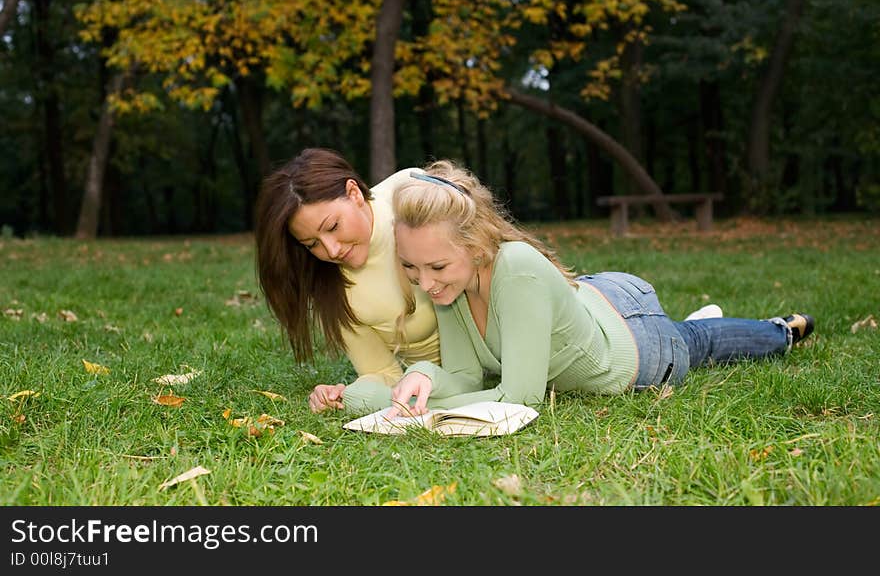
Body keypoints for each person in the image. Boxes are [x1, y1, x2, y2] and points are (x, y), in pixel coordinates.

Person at [344, 160, 815, 418]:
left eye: (436, 266)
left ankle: (779, 332)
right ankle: (698, 322)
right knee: (693, 332)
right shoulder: (449, 283)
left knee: (697, 343)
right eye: (410, 267)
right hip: (589, 304)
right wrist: (422, 378)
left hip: (637, 344)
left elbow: (519, 398)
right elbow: (467, 378)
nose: (424, 283)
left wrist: (411, 410)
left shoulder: (518, 268)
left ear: (477, 244)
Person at [253, 148, 441, 413]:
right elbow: (384, 372)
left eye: (332, 227)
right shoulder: (332, 287)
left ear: (354, 194)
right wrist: (347, 393)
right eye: (312, 244)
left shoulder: (414, 195)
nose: (331, 250)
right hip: (439, 382)